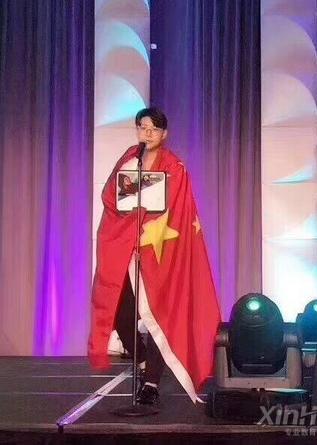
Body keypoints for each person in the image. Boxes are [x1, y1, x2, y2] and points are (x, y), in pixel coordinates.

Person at [88, 107, 221, 405]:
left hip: (158, 252)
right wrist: (134, 198)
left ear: (164, 134)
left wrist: (137, 196)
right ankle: (144, 361)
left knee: (161, 314)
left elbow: (170, 205)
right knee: (119, 311)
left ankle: (151, 383)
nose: (147, 134)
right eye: (143, 127)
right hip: (125, 249)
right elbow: (110, 195)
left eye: (154, 129)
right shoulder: (129, 157)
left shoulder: (174, 166)